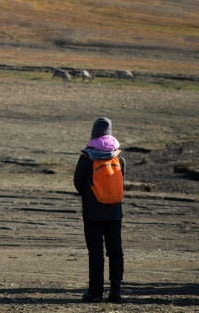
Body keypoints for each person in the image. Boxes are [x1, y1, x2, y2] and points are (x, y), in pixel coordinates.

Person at [73, 117, 126, 303]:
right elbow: (122, 178)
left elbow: (78, 183)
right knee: (116, 250)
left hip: (93, 211)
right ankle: (116, 292)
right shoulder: (118, 156)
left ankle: (95, 293)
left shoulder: (87, 157)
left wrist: (92, 194)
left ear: (93, 134)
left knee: (96, 252)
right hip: (115, 210)